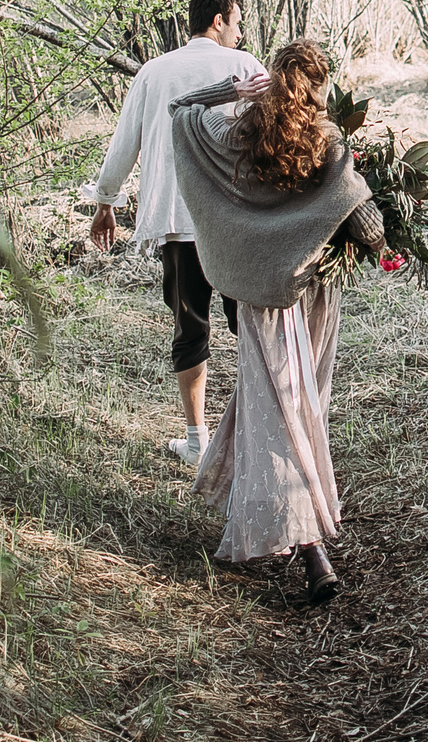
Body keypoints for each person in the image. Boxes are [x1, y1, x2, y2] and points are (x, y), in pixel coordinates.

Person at [170, 40, 381, 606]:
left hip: (261, 300)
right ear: (316, 88)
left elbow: (179, 111)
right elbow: (367, 223)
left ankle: (241, 492)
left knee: (271, 398)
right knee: (295, 405)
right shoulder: (327, 140)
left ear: (269, 83)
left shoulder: (234, 134)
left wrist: (231, 92)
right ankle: (310, 544)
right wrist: (376, 224)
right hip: (309, 296)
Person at [87, 0, 264, 466]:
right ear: (219, 21)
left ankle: (196, 440)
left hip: (176, 219)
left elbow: (126, 140)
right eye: (237, 20)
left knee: (190, 329)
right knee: (250, 326)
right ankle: (256, 429)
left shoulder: (153, 71)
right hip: (233, 219)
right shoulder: (246, 67)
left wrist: (106, 203)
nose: (240, 30)